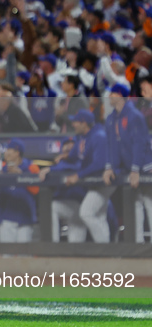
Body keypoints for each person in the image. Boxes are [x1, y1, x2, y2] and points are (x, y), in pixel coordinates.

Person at [103, 84, 152, 243]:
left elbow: (140, 143)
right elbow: (111, 145)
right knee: (135, 203)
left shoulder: (134, 115)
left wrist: (136, 169)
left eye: (112, 93)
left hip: (145, 166)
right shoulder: (111, 118)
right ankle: (138, 246)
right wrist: (110, 167)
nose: (109, 96)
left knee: (149, 203)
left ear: (120, 95)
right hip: (129, 168)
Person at [58, 109, 112, 243]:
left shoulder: (99, 136)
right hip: (96, 182)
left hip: (105, 180)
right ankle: (107, 252)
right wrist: (65, 157)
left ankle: (105, 250)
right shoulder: (85, 137)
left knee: (86, 212)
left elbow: (99, 164)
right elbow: (75, 154)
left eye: (76, 122)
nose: (73, 124)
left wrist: (78, 175)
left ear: (84, 123)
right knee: (99, 216)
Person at [39, 138, 87, 242]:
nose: (69, 147)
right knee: (51, 207)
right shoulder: (60, 164)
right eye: (66, 144)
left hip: (82, 207)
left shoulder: (83, 160)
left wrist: (51, 169)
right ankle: (52, 245)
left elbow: (76, 168)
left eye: (72, 144)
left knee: (76, 249)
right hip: (66, 206)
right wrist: (53, 167)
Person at [0, 139, 39, 243]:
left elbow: (36, 190)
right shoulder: (1, 168)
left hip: (25, 217)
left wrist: (21, 176)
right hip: (7, 216)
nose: (6, 152)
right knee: (7, 255)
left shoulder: (31, 167)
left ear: (17, 152)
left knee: (24, 255)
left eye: (9, 150)